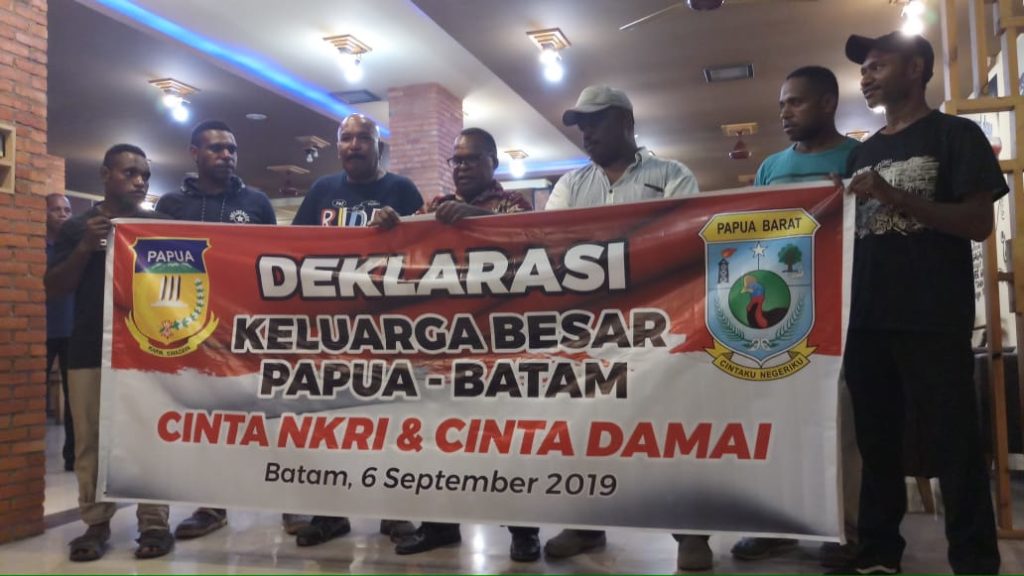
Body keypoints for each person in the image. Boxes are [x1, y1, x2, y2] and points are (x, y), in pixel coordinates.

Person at [835, 32, 1002, 575]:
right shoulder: (862, 151)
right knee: (877, 445)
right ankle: (879, 554)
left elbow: (977, 222)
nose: (866, 76)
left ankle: (975, 561)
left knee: (955, 445)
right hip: (866, 319)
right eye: (864, 69)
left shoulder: (956, 135)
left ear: (917, 68)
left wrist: (896, 196)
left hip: (932, 316)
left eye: (877, 66)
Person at [541, 85, 709, 572]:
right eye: (581, 125)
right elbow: (550, 244)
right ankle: (585, 523)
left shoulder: (672, 176)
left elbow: (685, 242)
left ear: (627, 122)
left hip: (661, 326)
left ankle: (691, 532)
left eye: (595, 122)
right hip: (591, 329)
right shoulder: (570, 186)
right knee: (584, 425)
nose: (586, 133)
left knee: (672, 427)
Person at [370, 127, 538, 561]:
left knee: (506, 441)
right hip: (444, 344)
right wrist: (388, 223)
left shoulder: (512, 204)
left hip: (499, 343)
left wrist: (475, 219)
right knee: (439, 437)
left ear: (492, 162)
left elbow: (529, 241)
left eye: (471, 159)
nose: (461, 167)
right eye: (456, 160)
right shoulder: (434, 208)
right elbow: (405, 241)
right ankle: (439, 526)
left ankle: (523, 531)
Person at [731, 66, 861, 567]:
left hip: (842, 312)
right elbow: (757, 234)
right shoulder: (771, 167)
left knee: (839, 423)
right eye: (782, 104)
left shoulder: (856, 157)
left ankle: (844, 528)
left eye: (796, 102)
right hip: (785, 314)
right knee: (778, 420)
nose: (785, 113)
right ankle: (778, 527)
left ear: (828, 102)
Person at [156, 120, 303, 540]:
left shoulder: (256, 202)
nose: (226, 156)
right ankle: (212, 505)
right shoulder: (171, 205)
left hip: (252, 330)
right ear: (194, 153)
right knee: (211, 421)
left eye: (232, 149)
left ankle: (292, 503)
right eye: (217, 148)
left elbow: (275, 262)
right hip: (195, 333)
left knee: (271, 417)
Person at [290, 113, 422, 547]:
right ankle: (330, 514)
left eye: (363, 137)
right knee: (331, 424)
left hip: (388, 329)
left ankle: (395, 512)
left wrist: (399, 230)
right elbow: (293, 248)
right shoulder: (321, 190)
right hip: (332, 330)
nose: (354, 145)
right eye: (345, 138)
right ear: (337, 146)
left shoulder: (402, 190)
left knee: (391, 423)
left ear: (378, 144)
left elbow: (428, 251)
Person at [45, 144, 174, 562]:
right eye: (129, 173)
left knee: (150, 437)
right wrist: (85, 246)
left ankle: (154, 522)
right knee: (90, 440)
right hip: (89, 348)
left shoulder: (159, 227)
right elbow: (55, 286)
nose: (139, 181)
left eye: (145, 176)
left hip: (149, 349)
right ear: (105, 174)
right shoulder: (77, 228)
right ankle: (95, 522)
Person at [45, 192, 75, 472]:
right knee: (32, 393)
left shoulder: (76, 247)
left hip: (72, 331)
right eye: (56, 210)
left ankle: (72, 457)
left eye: (67, 210)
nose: (63, 214)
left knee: (74, 397)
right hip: (40, 332)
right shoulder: (36, 245)